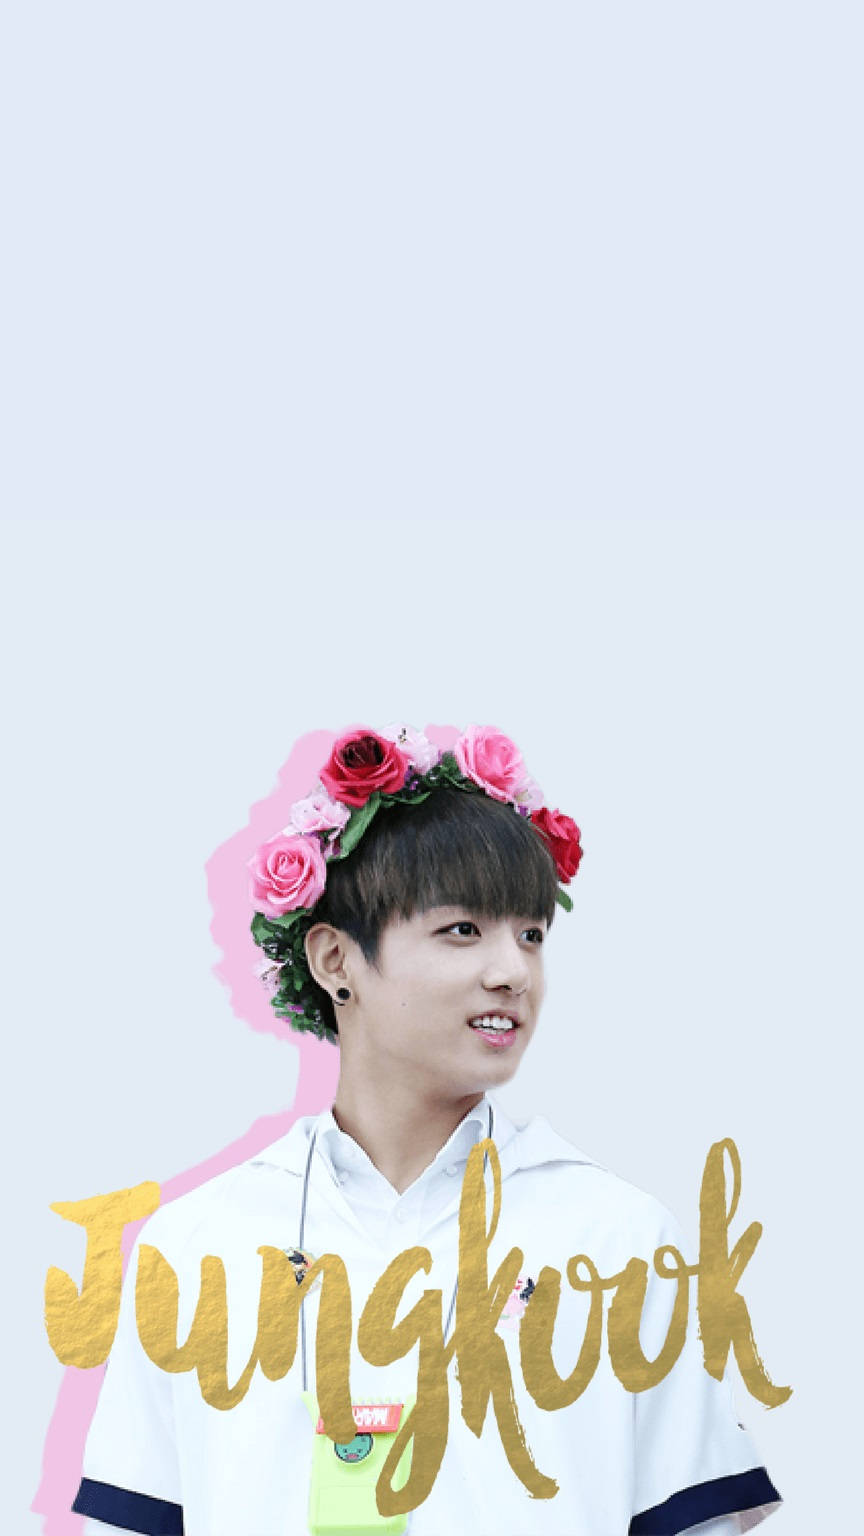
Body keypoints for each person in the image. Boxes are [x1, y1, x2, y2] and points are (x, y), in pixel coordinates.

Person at [72, 723, 783, 1535]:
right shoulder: (195, 1246)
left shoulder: (619, 1242)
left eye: (531, 934)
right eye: (462, 930)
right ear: (335, 960)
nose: (512, 972)